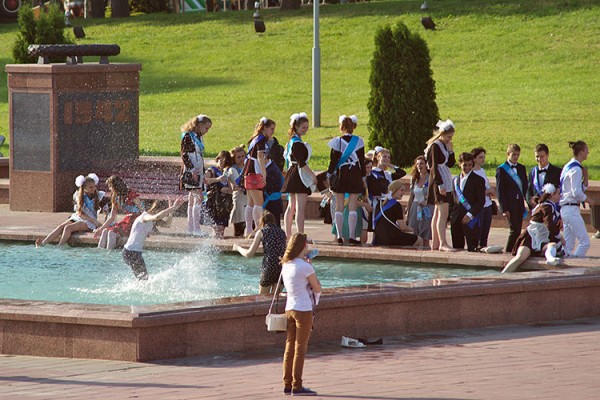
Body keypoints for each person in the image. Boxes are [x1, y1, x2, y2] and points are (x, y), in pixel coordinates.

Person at [280, 232, 321, 396]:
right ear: (304, 246)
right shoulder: (305, 266)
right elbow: (317, 288)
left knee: (289, 347)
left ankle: (287, 383)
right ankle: (297, 385)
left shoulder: (286, 264)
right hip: (303, 309)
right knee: (300, 348)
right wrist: (311, 266)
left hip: (289, 308)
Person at [502, 184, 564, 273]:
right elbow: (549, 224)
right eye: (558, 193)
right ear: (552, 195)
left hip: (541, 238)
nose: (560, 195)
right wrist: (559, 236)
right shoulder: (546, 206)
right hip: (530, 237)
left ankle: (550, 258)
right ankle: (502, 275)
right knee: (520, 257)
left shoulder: (550, 206)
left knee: (552, 245)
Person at [326, 114, 366, 246]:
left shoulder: (336, 141)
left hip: (341, 174)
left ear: (341, 127)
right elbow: (361, 161)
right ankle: (353, 236)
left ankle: (339, 235)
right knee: (353, 205)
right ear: (353, 127)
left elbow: (333, 161)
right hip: (354, 174)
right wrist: (363, 177)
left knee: (339, 205)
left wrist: (328, 175)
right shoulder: (359, 141)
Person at [122, 197, 185, 280]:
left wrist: (171, 211)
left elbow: (167, 224)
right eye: (164, 211)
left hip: (134, 252)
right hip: (131, 252)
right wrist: (172, 208)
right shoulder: (145, 217)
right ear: (157, 209)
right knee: (144, 279)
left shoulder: (152, 220)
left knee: (143, 279)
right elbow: (158, 216)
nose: (164, 215)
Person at [36, 173, 106, 247]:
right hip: (79, 217)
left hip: (89, 221)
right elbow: (79, 213)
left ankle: (59, 246)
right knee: (61, 226)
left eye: (94, 186)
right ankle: (43, 243)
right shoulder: (79, 195)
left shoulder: (98, 195)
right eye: (91, 187)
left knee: (68, 228)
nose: (93, 189)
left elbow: (106, 209)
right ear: (84, 188)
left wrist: (97, 222)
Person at [233, 211, 287, 294]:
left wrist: (238, 248)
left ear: (262, 222)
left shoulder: (262, 232)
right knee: (275, 300)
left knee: (262, 299)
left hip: (269, 267)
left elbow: (249, 254)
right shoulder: (282, 233)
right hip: (282, 268)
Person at [283, 112, 317, 238]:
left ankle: (288, 234)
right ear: (296, 127)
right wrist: (312, 175)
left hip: (292, 172)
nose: (305, 129)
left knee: (291, 205)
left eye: (307, 127)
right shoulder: (297, 142)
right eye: (303, 127)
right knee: (299, 207)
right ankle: (300, 235)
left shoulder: (291, 141)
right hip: (298, 174)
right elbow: (301, 162)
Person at [425, 119, 456, 252]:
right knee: (443, 213)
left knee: (438, 213)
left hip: (444, 178)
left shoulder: (443, 145)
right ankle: (443, 243)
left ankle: (436, 243)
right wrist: (440, 184)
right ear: (442, 134)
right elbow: (433, 168)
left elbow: (450, 164)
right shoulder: (435, 146)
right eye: (448, 137)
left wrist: (450, 151)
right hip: (439, 181)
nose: (450, 139)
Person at [179, 114, 212, 236]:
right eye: (206, 128)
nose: (206, 131)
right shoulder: (188, 136)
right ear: (199, 125)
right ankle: (196, 228)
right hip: (192, 171)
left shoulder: (197, 136)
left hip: (198, 169)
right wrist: (191, 170)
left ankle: (191, 227)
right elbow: (184, 155)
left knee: (193, 198)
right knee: (197, 197)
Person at [243, 117, 276, 237]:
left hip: (248, 170)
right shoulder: (261, 140)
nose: (273, 131)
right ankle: (258, 229)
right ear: (265, 128)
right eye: (271, 129)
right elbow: (260, 156)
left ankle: (248, 230)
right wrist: (264, 173)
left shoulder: (255, 138)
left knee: (250, 202)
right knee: (258, 202)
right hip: (255, 171)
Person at [560, 140, 592, 258]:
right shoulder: (576, 169)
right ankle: (574, 265)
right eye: (586, 150)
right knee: (585, 242)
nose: (588, 152)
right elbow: (576, 192)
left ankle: (566, 263)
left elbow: (575, 189)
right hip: (571, 208)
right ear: (581, 152)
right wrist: (589, 199)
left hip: (566, 208)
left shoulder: (568, 166)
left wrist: (586, 179)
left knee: (568, 245)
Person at [95, 175, 144, 250]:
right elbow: (112, 216)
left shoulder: (131, 194)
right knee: (105, 231)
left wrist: (146, 225)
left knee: (111, 233)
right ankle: (100, 254)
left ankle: (109, 254)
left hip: (136, 220)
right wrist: (100, 229)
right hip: (127, 219)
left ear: (115, 186)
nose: (109, 188)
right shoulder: (115, 197)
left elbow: (142, 210)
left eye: (110, 186)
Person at [450, 153, 486, 252]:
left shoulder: (478, 180)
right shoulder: (455, 180)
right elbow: (452, 199)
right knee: (457, 247)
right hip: (456, 217)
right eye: (464, 165)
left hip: (471, 218)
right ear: (459, 164)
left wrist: (470, 214)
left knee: (472, 247)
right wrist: (451, 215)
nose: (467, 167)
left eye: (470, 165)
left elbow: (481, 201)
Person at [495, 143, 528, 253]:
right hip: (509, 204)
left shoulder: (521, 168)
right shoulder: (502, 169)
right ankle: (509, 251)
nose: (516, 157)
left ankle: (514, 250)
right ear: (508, 154)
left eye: (518, 154)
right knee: (514, 230)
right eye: (513, 154)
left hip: (519, 203)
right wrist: (504, 208)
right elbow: (500, 190)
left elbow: (525, 186)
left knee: (518, 230)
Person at [372, 180, 422, 247]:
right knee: (419, 240)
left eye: (404, 190)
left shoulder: (379, 203)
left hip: (379, 238)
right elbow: (403, 227)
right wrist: (413, 229)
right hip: (392, 237)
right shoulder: (396, 205)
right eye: (401, 190)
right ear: (394, 190)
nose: (403, 193)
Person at [367, 146, 406, 229]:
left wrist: (390, 165)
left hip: (387, 202)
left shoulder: (387, 174)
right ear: (378, 157)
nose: (386, 159)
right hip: (377, 203)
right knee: (377, 226)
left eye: (388, 157)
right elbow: (375, 189)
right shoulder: (373, 172)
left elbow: (402, 173)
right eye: (384, 156)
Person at [204, 151, 234, 238]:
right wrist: (217, 179)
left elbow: (231, 188)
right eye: (221, 160)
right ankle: (211, 245)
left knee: (221, 230)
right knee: (216, 229)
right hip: (214, 202)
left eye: (225, 162)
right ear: (218, 159)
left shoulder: (226, 172)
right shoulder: (212, 170)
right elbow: (205, 180)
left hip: (224, 204)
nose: (222, 163)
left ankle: (216, 246)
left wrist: (228, 190)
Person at [406, 156, 433, 248]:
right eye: (417, 164)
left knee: (426, 233)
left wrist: (426, 201)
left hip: (427, 208)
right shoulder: (414, 179)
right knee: (415, 234)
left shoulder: (431, 178)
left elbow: (434, 194)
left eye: (421, 163)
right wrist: (408, 211)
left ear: (426, 165)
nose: (419, 166)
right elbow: (411, 196)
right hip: (415, 208)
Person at [471, 147, 495, 250]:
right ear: (474, 159)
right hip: (478, 206)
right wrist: (486, 192)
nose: (483, 159)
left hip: (487, 204)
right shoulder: (471, 173)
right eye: (480, 157)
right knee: (478, 231)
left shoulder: (482, 171)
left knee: (485, 231)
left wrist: (490, 191)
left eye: (484, 157)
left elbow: (486, 185)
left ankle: (483, 246)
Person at [526, 143, 562, 209]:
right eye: (537, 156)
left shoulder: (557, 171)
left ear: (547, 155)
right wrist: (531, 202)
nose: (539, 159)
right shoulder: (532, 172)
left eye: (542, 156)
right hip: (536, 208)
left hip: (552, 208)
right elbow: (528, 190)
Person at [227, 146, 248, 237]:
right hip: (239, 199)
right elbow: (238, 185)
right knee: (240, 227)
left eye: (243, 156)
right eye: (238, 157)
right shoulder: (232, 169)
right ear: (233, 158)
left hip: (249, 199)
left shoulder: (248, 166)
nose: (241, 159)